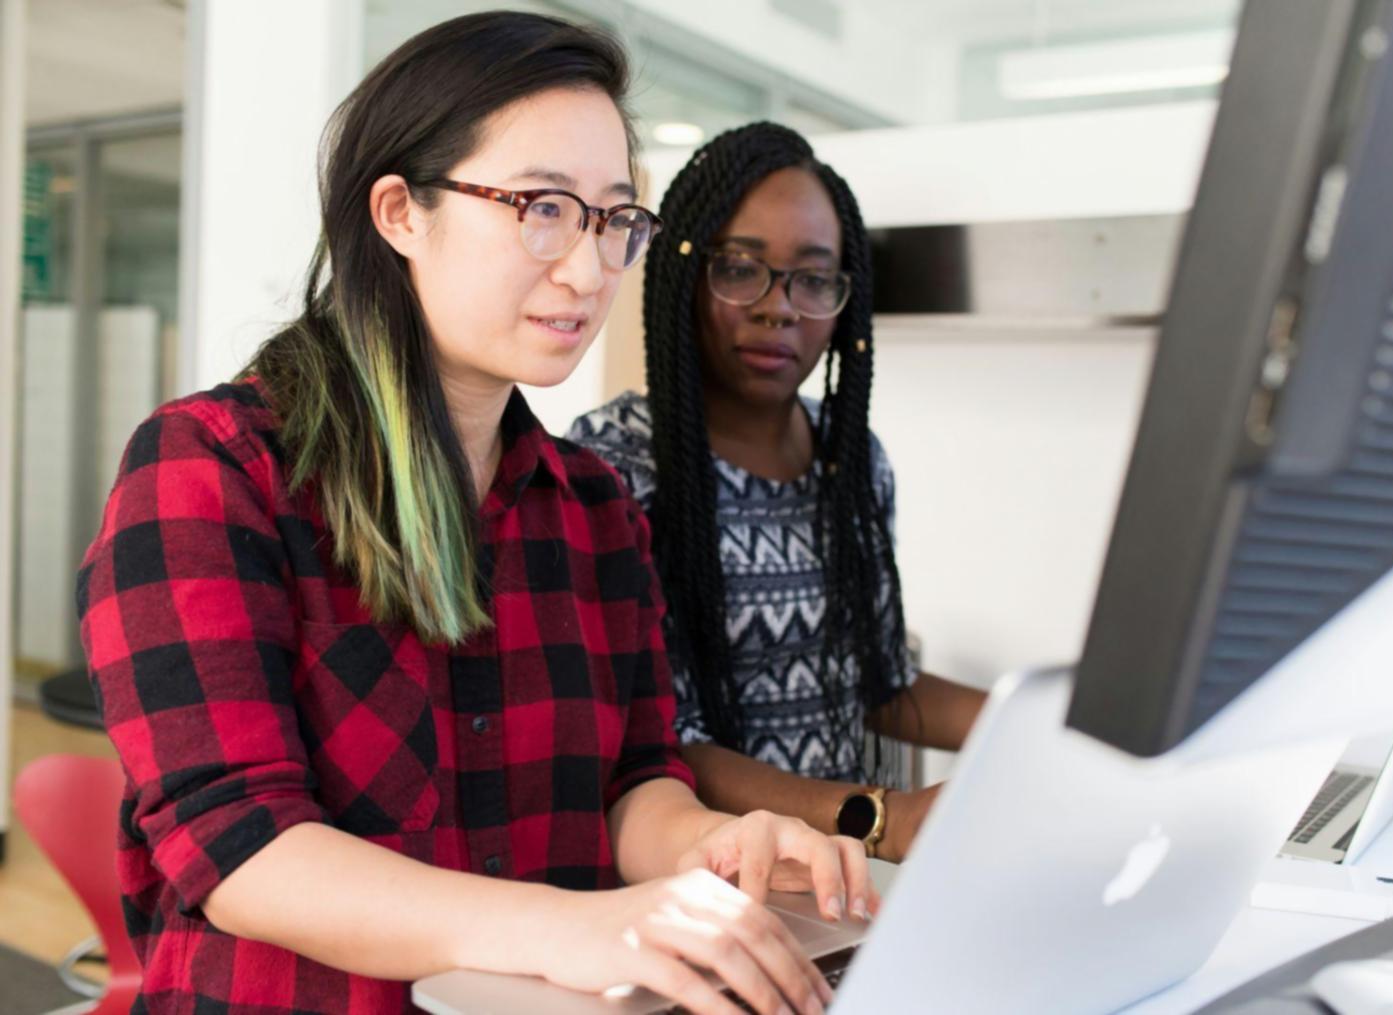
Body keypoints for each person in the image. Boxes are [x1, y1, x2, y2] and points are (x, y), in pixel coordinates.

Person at [76, 16, 869, 1015]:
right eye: (542, 207)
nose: (587, 271)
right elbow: (238, 845)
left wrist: (709, 840)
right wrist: (564, 924)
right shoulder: (211, 467)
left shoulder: (593, 504)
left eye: (612, 220)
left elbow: (635, 781)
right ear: (402, 212)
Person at [568, 123, 988, 866]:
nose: (778, 307)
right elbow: (659, 741)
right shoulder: (614, 465)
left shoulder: (850, 461)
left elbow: (879, 680)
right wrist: (878, 818)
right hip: (695, 882)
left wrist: (1044, 725)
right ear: (683, 274)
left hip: (834, 879)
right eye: (740, 269)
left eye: (813, 278)